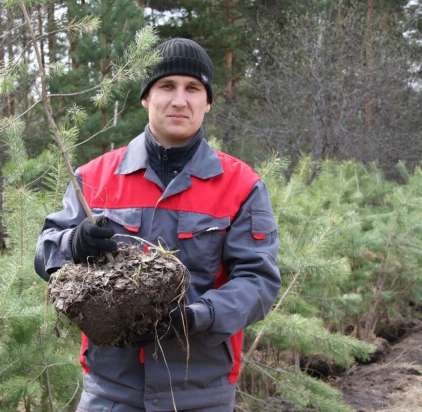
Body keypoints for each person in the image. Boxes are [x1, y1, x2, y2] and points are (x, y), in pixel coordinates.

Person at [34, 38, 281, 412]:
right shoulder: (94, 177)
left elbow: (258, 282)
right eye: (166, 86)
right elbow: (45, 252)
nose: (179, 100)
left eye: (192, 88)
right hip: (110, 394)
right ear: (146, 97)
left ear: (208, 101)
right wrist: (72, 244)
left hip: (201, 395)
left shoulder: (242, 186)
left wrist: (197, 317)